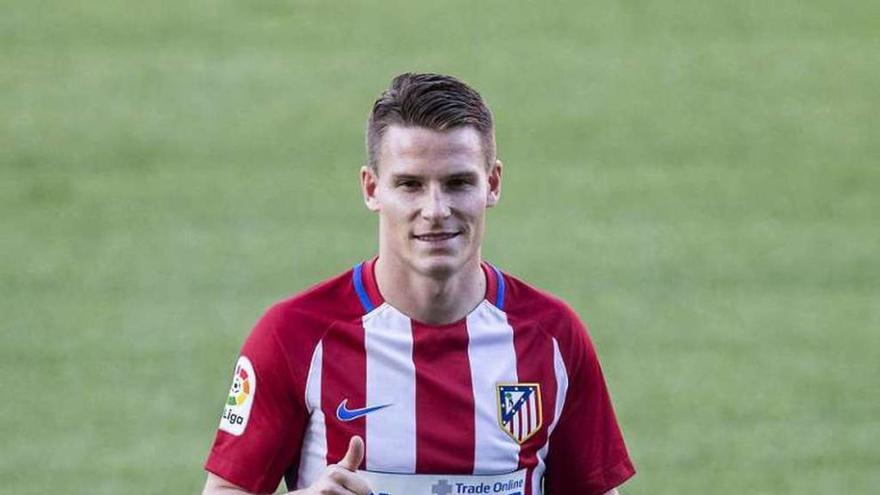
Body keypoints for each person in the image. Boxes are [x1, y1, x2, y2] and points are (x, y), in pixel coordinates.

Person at [203, 73, 635, 495]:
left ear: (493, 183)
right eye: (410, 184)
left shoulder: (552, 336)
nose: (435, 209)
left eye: (458, 182)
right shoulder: (295, 334)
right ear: (372, 189)